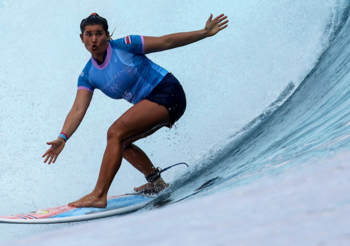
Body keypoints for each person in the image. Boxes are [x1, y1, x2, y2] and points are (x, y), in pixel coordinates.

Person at [42, 13, 229, 208]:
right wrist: (63, 137)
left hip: (168, 92)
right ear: (81, 38)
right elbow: (78, 109)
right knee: (121, 143)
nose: (94, 39)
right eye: (88, 34)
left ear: (107, 35)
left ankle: (98, 194)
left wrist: (204, 33)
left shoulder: (126, 45)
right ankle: (156, 182)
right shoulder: (88, 75)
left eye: (99, 33)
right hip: (154, 103)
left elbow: (166, 41)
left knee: (115, 133)